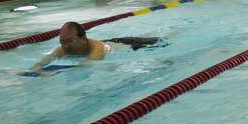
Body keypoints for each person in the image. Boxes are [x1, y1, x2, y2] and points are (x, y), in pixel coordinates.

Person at [27, 21, 163, 73]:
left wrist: (54, 72)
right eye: (62, 41)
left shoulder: (96, 48)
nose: (65, 45)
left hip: (128, 45)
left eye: (69, 41)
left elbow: (87, 66)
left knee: (159, 40)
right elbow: (44, 61)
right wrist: (31, 70)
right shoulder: (63, 48)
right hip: (110, 41)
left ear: (82, 38)